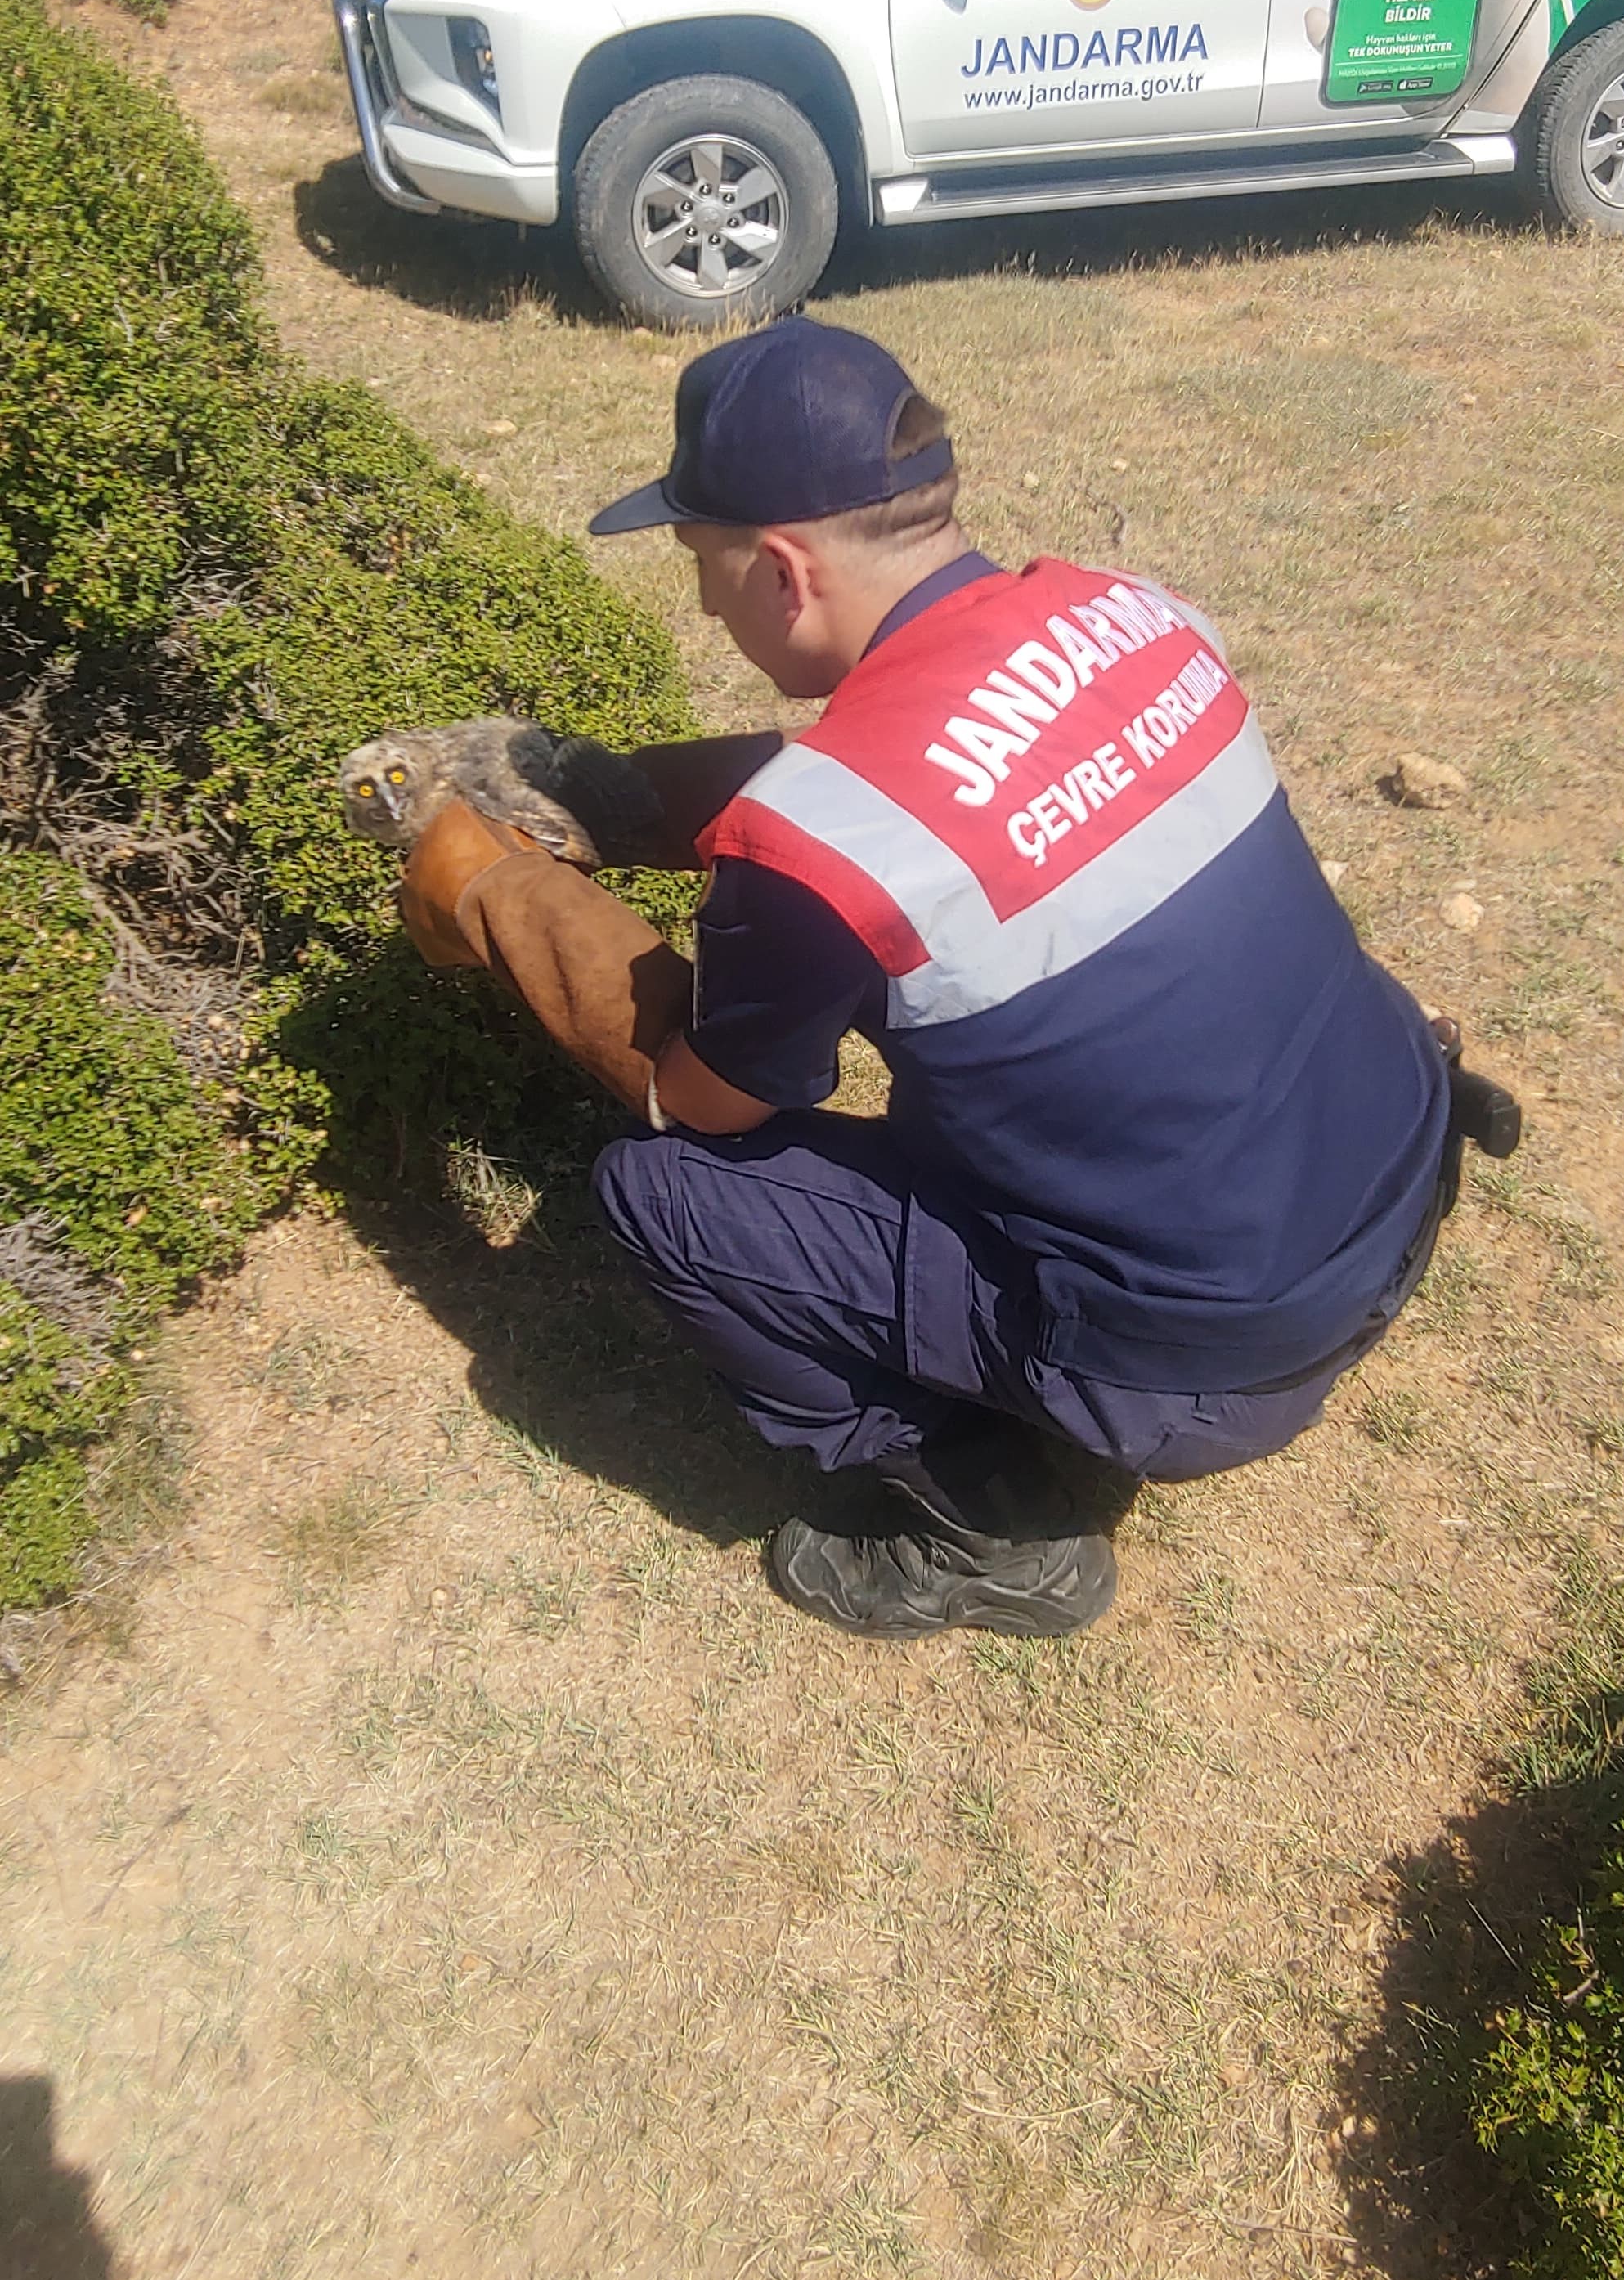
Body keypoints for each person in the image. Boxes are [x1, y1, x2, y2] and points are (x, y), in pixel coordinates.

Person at [397, 318, 1452, 1640]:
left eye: (702, 568)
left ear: (780, 569)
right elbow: (920, 762)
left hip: (1217, 1357)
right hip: (1395, 1171)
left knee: (661, 1195)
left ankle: (991, 1527)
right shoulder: (1136, 618)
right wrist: (605, 795)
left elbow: (699, 1107)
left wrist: (500, 891)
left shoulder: (820, 849)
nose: (707, 604)